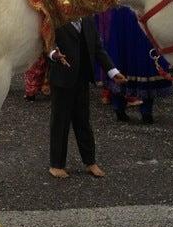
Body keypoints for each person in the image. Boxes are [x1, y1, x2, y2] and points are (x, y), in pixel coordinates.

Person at [47, 16, 124, 179]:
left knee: (83, 121)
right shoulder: (56, 18)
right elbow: (46, 42)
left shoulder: (88, 21)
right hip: (62, 78)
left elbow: (97, 48)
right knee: (60, 122)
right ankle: (56, 164)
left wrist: (113, 71)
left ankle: (90, 161)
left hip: (82, 78)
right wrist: (54, 54)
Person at [97, 6, 173, 125]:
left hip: (126, 13)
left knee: (124, 56)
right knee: (139, 58)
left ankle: (123, 109)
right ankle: (142, 111)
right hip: (136, 11)